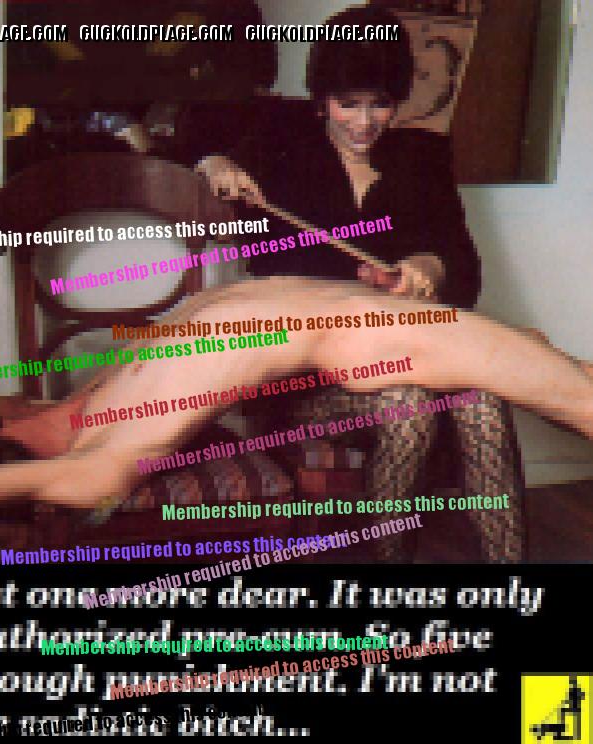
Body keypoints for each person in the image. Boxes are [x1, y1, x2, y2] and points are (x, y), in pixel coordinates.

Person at [196, 4, 525, 562]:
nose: (364, 122)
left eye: (381, 104)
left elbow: (462, 264)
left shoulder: (423, 156)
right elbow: (185, 133)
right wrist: (213, 164)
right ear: (322, 99)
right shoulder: (280, 140)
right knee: (408, 405)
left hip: (404, 354)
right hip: (307, 375)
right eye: (348, 104)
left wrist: (427, 267)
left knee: (483, 401)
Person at [0, 276, 592, 526]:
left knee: (557, 364)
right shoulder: (96, 461)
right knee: (580, 397)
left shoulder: (82, 408)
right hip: (369, 336)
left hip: (364, 312)